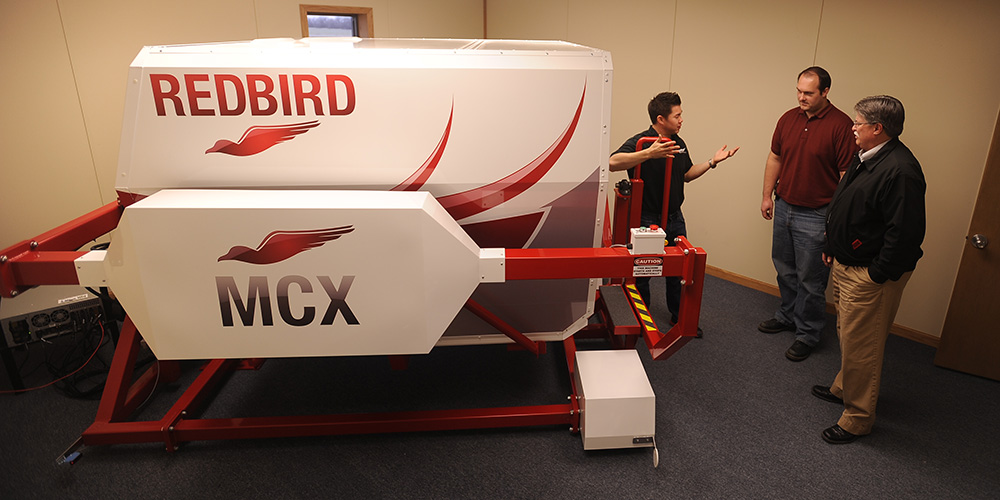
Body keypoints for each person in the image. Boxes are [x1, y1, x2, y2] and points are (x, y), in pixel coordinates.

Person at [813, 95, 926, 444]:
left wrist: (877, 274)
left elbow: (905, 234)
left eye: (858, 123)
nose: (852, 128)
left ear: (877, 129)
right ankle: (845, 387)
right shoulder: (867, 155)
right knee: (848, 332)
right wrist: (833, 244)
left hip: (870, 274)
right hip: (849, 264)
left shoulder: (901, 170)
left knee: (864, 346)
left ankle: (858, 418)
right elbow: (846, 203)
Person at [610, 92, 739, 334]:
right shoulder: (641, 142)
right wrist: (648, 154)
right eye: (677, 116)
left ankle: (678, 317)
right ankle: (640, 319)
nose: (681, 120)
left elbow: (687, 174)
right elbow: (613, 162)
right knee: (643, 271)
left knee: (680, 270)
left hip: (674, 217)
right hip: (647, 219)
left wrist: (712, 162)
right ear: (661, 118)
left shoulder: (679, 142)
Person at [759, 67, 858, 361]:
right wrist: (767, 195)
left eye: (808, 93)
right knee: (785, 268)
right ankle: (787, 315)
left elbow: (845, 177)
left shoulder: (841, 126)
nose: (801, 97)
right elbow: (775, 157)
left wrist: (834, 222)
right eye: (799, 91)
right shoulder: (788, 118)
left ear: (825, 92)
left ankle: (808, 333)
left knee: (811, 281)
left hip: (817, 214)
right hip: (785, 205)